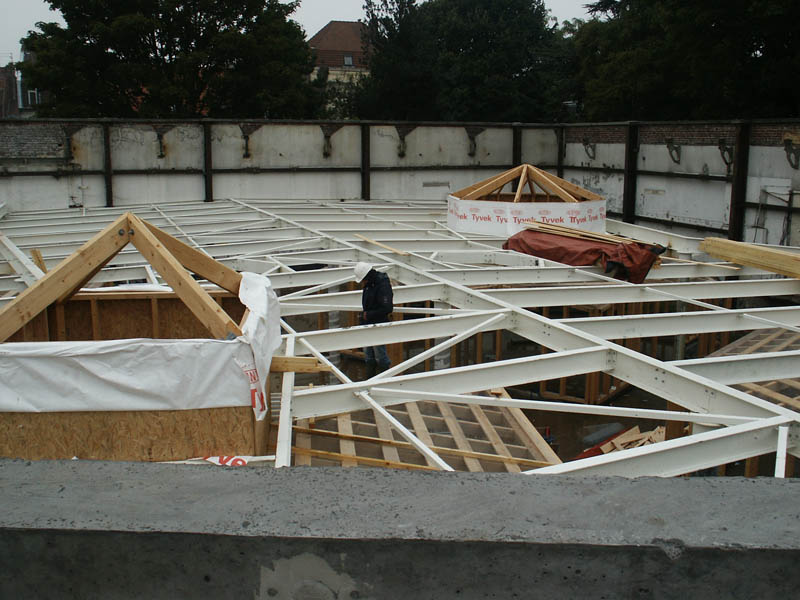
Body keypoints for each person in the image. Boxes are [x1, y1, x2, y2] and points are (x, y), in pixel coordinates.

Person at [353, 262, 393, 377]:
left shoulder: (382, 285)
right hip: (368, 323)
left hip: (378, 324)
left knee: (381, 355)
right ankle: (369, 380)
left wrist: (369, 315)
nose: (362, 282)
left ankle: (383, 381)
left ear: (367, 276)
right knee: (368, 355)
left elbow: (387, 308)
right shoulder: (369, 284)